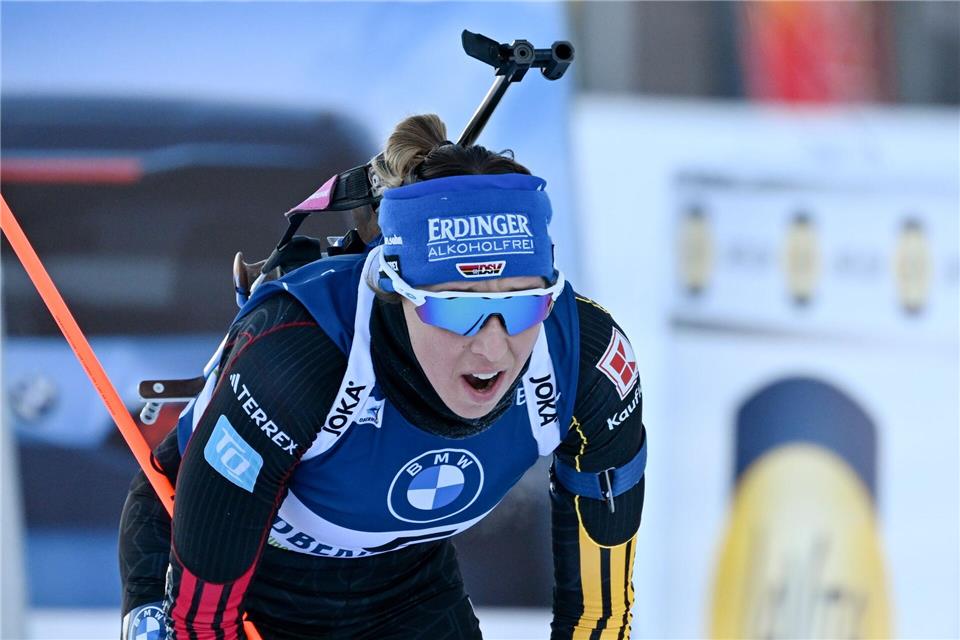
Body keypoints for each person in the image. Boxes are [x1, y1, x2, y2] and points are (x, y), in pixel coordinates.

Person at [119, 114, 647, 640]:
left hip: (404, 583)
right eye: (456, 307)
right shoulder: (303, 352)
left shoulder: (585, 358)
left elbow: (599, 616)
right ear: (398, 288)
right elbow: (203, 624)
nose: (492, 347)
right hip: (239, 567)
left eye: (522, 303)